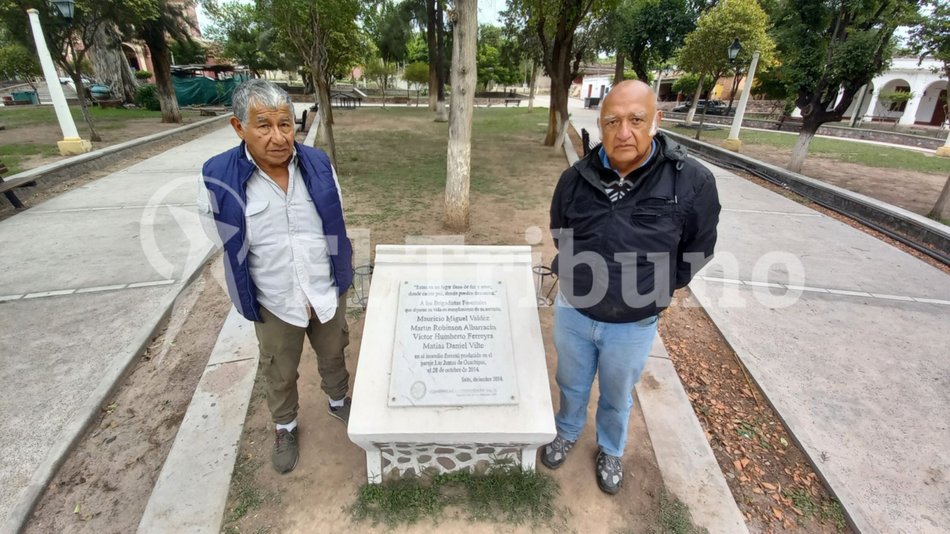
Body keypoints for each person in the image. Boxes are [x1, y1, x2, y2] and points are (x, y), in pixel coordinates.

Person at [544, 80, 720, 494]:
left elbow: (698, 247)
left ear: (656, 121)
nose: (624, 132)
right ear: (601, 126)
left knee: (616, 393)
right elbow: (560, 231)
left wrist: (657, 289)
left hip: (633, 321)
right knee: (570, 382)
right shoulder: (575, 178)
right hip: (574, 311)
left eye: (636, 120)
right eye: (613, 121)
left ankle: (610, 448)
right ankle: (567, 430)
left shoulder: (691, 182)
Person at [197, 79, 353, 474]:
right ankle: (285, 427)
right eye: (263, 125)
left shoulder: (317, 164)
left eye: (285, 124)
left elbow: (336, 220)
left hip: (324, 289)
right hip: (275, 299)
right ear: (239, 127)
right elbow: (220, 236)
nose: (278, 137)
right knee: (279, 369)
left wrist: (338, 273)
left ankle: (338, 401)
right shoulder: (218, 176)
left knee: (334, 352)